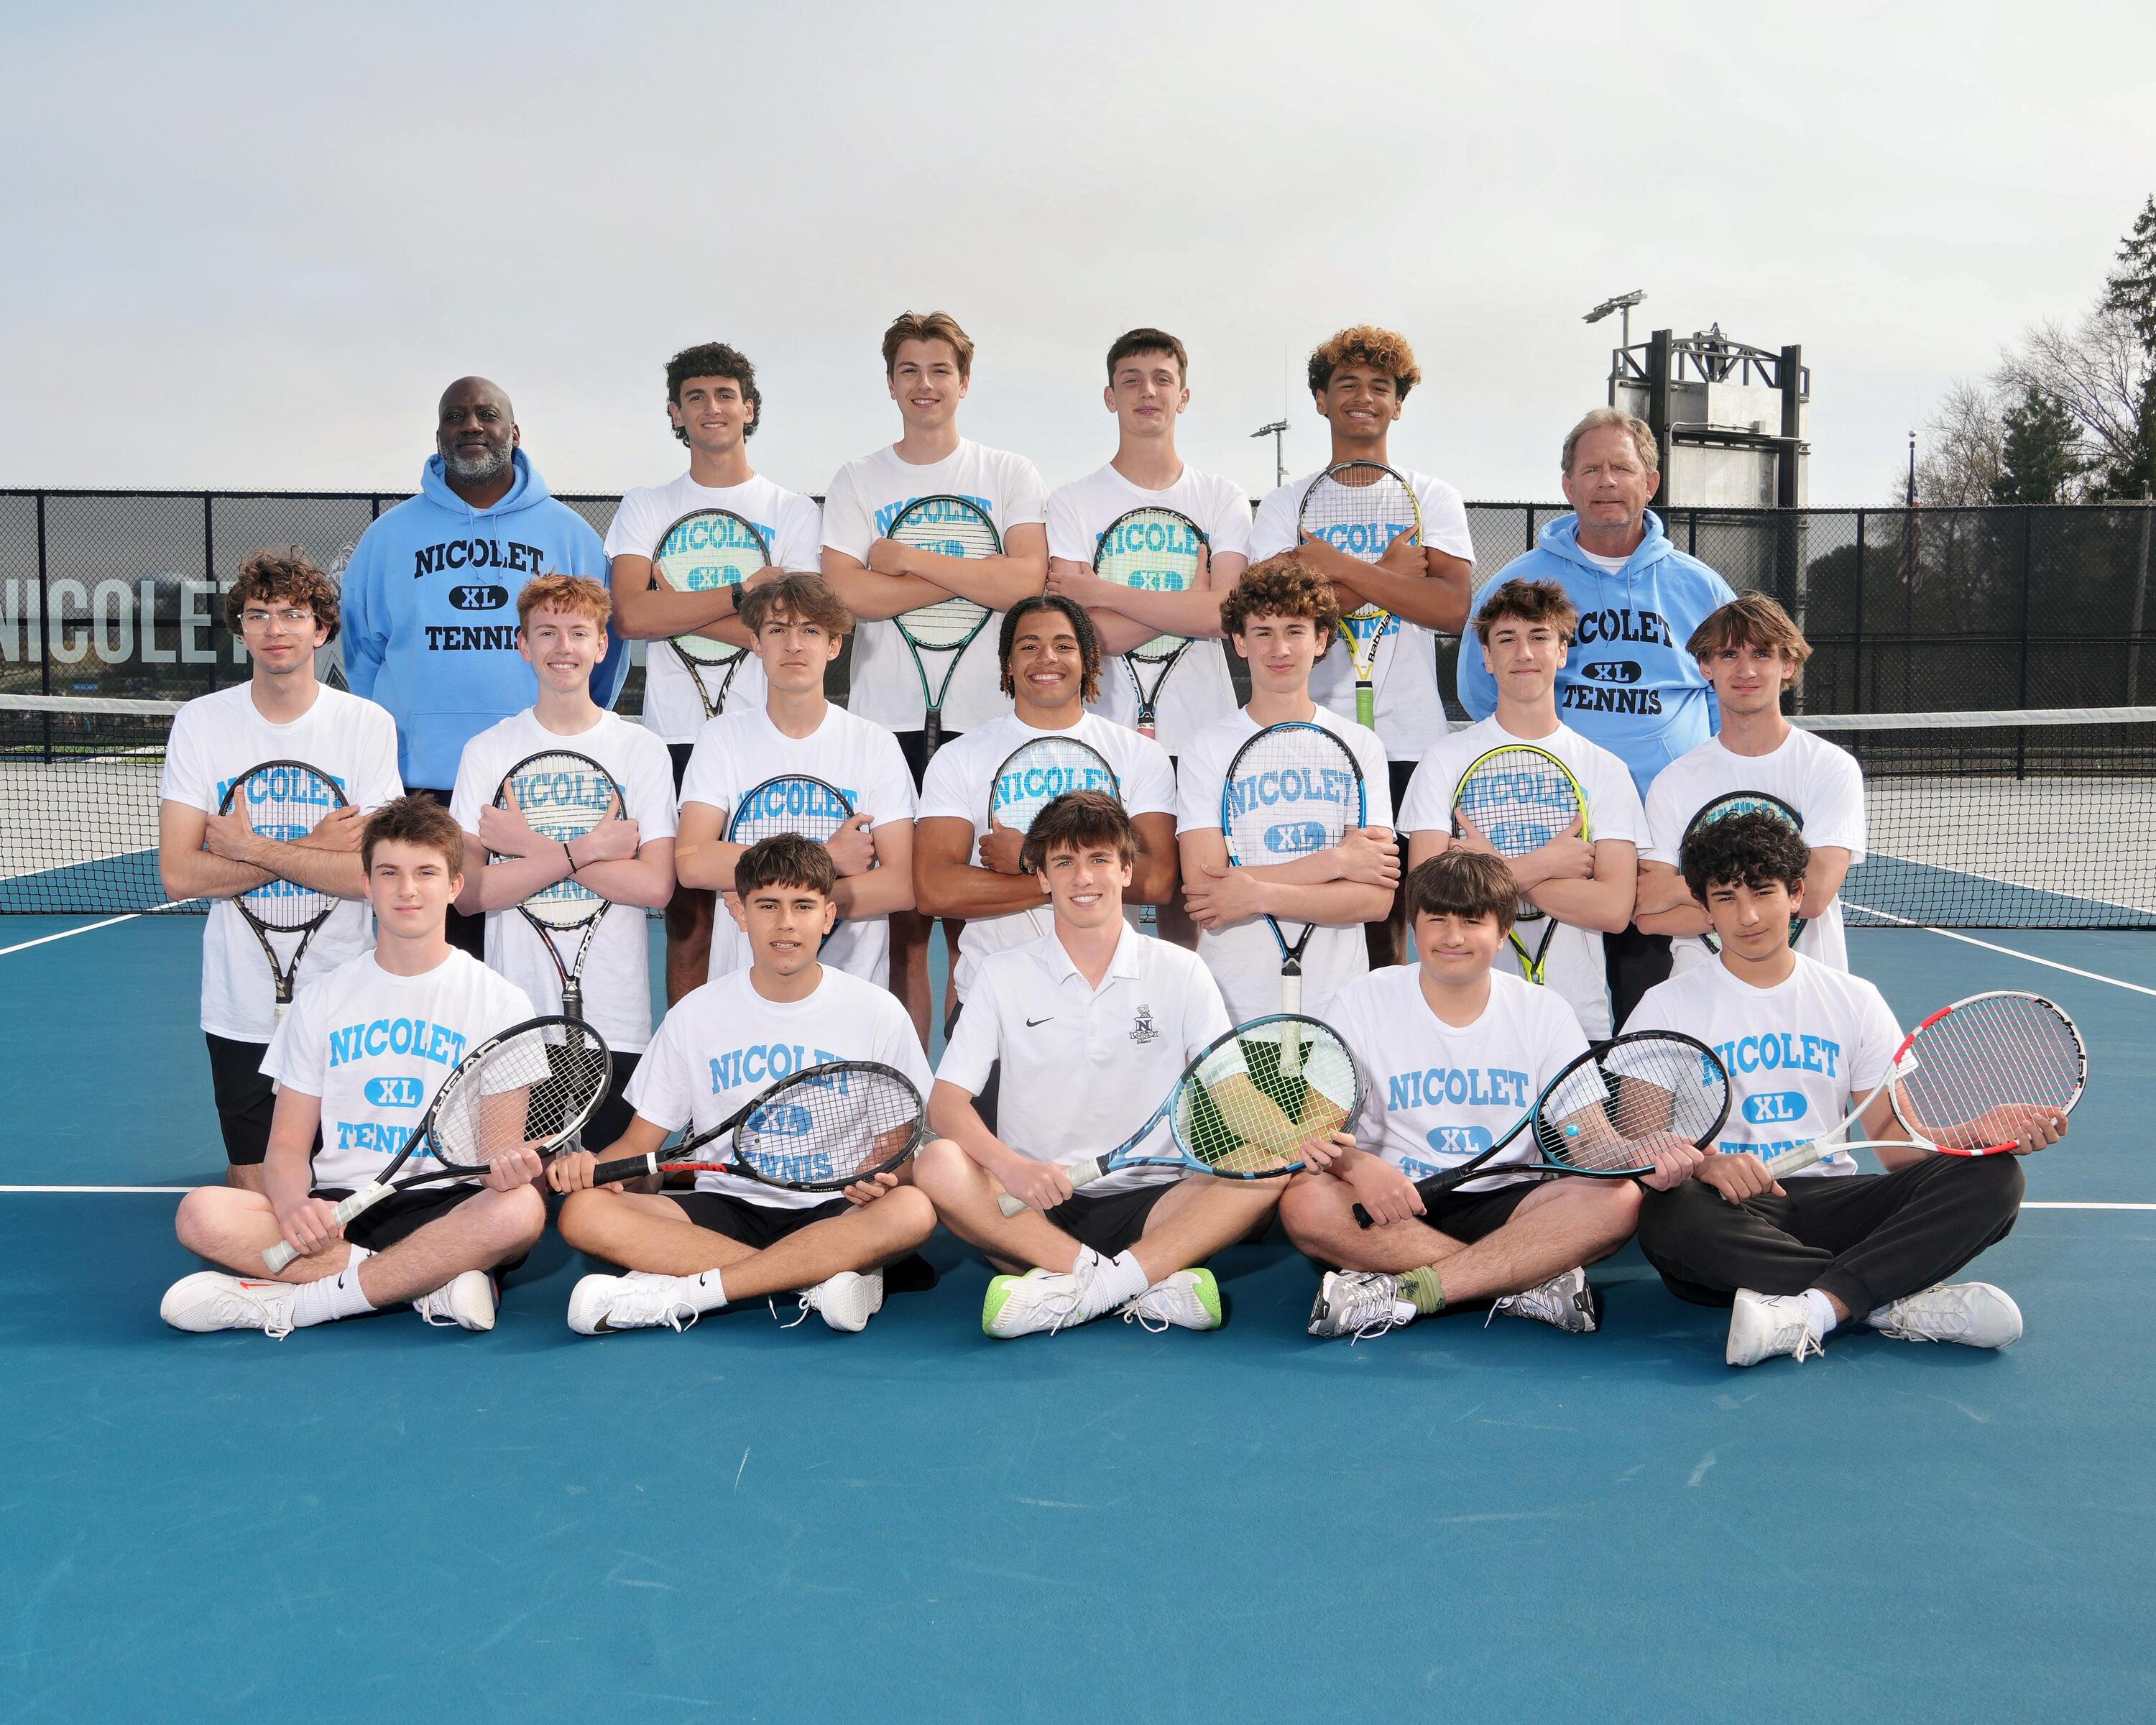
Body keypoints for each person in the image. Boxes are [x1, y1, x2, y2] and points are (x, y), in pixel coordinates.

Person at [1626, 811, 2054, 1367]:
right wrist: (1707, 1164)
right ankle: (1885, 1300)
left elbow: (1896, 1148)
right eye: (1726, 897)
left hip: (1833, 1204)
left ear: (1797, 893)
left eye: (1763, 891)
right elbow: (1640, 1141)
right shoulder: (1665, 1006)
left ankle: (1812, 1310)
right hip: (1728, 1213)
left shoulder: (1854, 999)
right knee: (1668, 1212)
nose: (1748, 915)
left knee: (1995, 1176)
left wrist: (1974, 1134)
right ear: (1705, 909)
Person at [161, 796, 548, 1338]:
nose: (407, 890)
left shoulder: (501, 1002)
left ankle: (297, 1306)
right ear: (366, 884)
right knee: (201, 1213)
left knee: (520, 1210)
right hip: (340, 1211)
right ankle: (428, 1283)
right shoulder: (322, 1000)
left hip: (450, 1207)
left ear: (455, 885)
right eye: (389, 873)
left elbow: (494, 1157)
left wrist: (506, 1168)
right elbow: (288, 1149)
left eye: (426, 873)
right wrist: (295, 1204)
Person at [1284, 851, 1700, 1340]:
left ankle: (1404, 1293)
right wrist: (1359, 1168)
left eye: (1471, 922)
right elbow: (1318, 1133)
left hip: (1514, 1207)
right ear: (1415, 929)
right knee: (1305, 1200)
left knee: (1619, 1198)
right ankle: (1519, 1281)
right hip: (1392, 1206)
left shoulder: (1544, 1011)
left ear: (1503, 932)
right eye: (1436, 920)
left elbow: (1587, 1140)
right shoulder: (1361, 1000)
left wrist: (1636, 1153)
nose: (1453, 937)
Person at [913, 792, 1279, 1338]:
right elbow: (946, 1104)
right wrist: (1013, 1168)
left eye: (1100, 860)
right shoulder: (999, 974)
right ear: (1041, 878)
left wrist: (1293, 1139)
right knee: (939, 1164)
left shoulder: (1183, 970)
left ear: (1127, 870)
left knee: (1269, 1165)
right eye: (1064, 863)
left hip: (1158, 1205)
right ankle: (1140, 1283)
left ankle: (1077, 1291)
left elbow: (1228, 1088)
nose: (1084, 878)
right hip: (1036, 1208)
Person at [550, 834, 941, 1337]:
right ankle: (814, 1282)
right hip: (727, 1206)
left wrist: (884, 1178)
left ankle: (687, 1294)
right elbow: (639, 1153)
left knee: (912, 1209)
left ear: (827, 915)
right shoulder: (695, 1016)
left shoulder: (878, 1013)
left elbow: (901, 1161)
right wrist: (594, 1171)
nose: (785, 923)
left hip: (838, 1210)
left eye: (803, 906)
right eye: (768, 905)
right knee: (584, 1211)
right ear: (740, 913)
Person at [1457, 408, 1737, 1027]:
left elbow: (1728, 703)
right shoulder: (1519, 581)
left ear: (1651, 483)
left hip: (1663, 840)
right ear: (1568, 487)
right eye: (1591, 469)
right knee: (1557, 1009)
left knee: (1651, 1009)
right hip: (1558, 841)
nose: (1606, 481)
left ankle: (1639, 1120)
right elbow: (1484, 692)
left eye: (1621, 468)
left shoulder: (1701, 587)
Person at [819, 311, 1051, 1041]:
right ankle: (908, 1090)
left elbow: (1027, 582)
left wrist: (910, 560)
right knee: (905, 924)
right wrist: (976, 577)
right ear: (891, 383)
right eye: (910, 371)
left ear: (965, 381)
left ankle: (968, 1083)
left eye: (940, 370)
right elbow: (849, 596)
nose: (926, 385)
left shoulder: (1008, 472)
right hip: (888, 724)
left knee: (969, 909)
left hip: (985, 726)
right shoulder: (858, 478)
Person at [341, 376, 622, 957]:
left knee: (539, 958)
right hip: (425, 786)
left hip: (538, 782)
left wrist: (565, 732)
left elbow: (606, 645)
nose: (471, 426)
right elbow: (363, 651)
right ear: (439, 434)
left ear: (513, 432)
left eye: (486, 414)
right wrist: (403, 734)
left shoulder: (569, 534)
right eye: (456, 416)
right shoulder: (388, 536)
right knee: (432, 956)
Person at [157, 546, 403, 1195]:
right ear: (241, 629)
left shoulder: (366, 725)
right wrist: (318, 846)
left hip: (348, 996)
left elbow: (370, 877)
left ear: (322, 630)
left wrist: (250, 847)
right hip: (238, 1000)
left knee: (344, 1183)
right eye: (260, 615)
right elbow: (180, 875)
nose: (276, 629)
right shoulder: (202, 724)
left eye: (294, 614)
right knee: (253, 1181)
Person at [602, 342, 824, 1003]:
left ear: (749, 408)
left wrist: (672, 603)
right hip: (674, 735)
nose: (712, 408)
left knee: (775, 904)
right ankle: (689, 1079)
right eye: (695, 396)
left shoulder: (792, 510)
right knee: (690, 920)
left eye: (726, 394)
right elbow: (631, 617)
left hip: (764, 734)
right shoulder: (645, 504)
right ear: (675, 412)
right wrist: (741, 595)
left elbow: (789, 630)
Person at [1248, 325, 1475, 968]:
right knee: (1329, 910)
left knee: (1406, 918)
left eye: (1381, 387)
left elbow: (1451, 608)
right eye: (1347, 384)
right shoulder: (1284, 506)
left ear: (1399, 404)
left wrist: (1337, 567)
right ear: (1320, 399)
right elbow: (1286, 621)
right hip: (1311, 739)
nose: (1364, 398)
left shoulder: (1432, 498)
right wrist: (1393, 575)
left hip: (1411, 744)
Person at [449, 574, 676, 1149]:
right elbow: (470, 893)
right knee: (513, 1190)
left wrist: (528, 848)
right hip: (516, 1013)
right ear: (523, 646)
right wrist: (589, 851)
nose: (563, 648)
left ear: (602, 646)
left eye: (579, 633)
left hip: (617, 1013)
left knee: (614, 1194)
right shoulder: (488, 751)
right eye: (546, 633)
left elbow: (654, 886)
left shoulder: (640, 750)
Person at [1041, 327, 1251, 948]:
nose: (1147, 392)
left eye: (1162, 379)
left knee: (1191, 894)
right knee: (1106, 893)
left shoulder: (1221, 497)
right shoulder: (1073, 501)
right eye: (1131, 380)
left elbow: (1223, 616)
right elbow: (1085, 637)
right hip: (1101, 733)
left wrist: (1105, 592)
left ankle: (1183, 1039)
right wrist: (1189, 599)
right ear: (1110, 397)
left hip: (1201, 729)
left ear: (1184, 396)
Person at [914, 594, 1176, 1063]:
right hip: (994, 1011)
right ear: (1008, 665)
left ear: (1087, 660)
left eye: (1063, 645)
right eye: (1029, 646)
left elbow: (1156, 881)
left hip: (1111, 1008)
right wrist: (1083, 878)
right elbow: (936, 889)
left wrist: (1028, 860)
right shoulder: (961, 757)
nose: (1047, 658)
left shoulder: (1138, 756)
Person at [1400, 579, 1645, 1037]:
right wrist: (1546, 865)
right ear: (1488, 659)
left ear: (1563, 651)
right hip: (1466, 1016)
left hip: (1577, 1016)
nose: (1524, 653)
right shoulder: (1444, 760)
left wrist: (1485, 870)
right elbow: (1426, 899)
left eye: (1539, 637)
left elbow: (1613, 908)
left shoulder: (1605, 770)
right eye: (1507, 640)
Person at [1174, 558, 1396, 1024]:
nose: (1280, 648)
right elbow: (1205, 889)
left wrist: (1254, 892)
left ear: (1320, 640)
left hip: (1340, 1007)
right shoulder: (1205, 749)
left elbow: (1375, 900)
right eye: (1263, 632)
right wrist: (1336, 863)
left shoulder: (1362, 746)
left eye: (1295, 630)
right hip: (1232, 1007)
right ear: (1239, 641)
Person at [674, 574, 916, 988]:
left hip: (849, 988)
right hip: (745, 989)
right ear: (756, 643)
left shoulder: (875, 744)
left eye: (810, 630)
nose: (794, 645)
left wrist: (763, 900)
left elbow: (902, 885)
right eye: (777, 629)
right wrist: (828, 859)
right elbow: (692, 861)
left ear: (834, 645)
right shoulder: (721, 738)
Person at [1635, 593, 1865, 976]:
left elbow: (1814, 895)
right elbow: (1648, 912)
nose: (1746, 671)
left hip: (1806, 991)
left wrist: (1705, 893)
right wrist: (1764, 894)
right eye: (1728, 655)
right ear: (1706, 667)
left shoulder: (1829, 767)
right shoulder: (1674, 781)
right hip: (1702, 996)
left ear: (1788, 664)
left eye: (1761, 654)